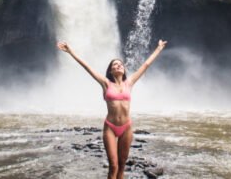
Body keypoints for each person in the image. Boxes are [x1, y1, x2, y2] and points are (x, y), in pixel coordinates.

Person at [57, 39, 167, 179]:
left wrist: (159, 48)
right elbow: (87, 67)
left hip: (126, 127)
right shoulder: (105, 83)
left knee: (122, 165)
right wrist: (70, 51)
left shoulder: (130, 82)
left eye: (121, 64)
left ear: (124, 69)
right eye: (115, 64)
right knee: (113, 166)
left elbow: (146, 65)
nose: (119, 66)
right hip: (110, 126)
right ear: (111, 70)